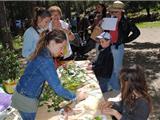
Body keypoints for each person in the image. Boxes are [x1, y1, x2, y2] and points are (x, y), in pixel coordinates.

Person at [11, 29, 87, 120]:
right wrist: (76, 96)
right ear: (52, 43)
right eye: (61, 47)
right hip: (26, 100)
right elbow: (58, 89)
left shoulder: (43, 51)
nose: (62, 51)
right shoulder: (45, 59)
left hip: (23, 93)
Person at [108, 0, 140, 91]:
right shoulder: (110, 19)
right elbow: (106, 32)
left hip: (118, 47)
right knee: (109, 66)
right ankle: (111, 85)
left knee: (117, 69)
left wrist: (125, 40)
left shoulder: (127, 21)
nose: (114, 13)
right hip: (108, 46)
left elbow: (136, 32)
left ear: (121, 11)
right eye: (112, 11)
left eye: (116, 11)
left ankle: (117, 88)